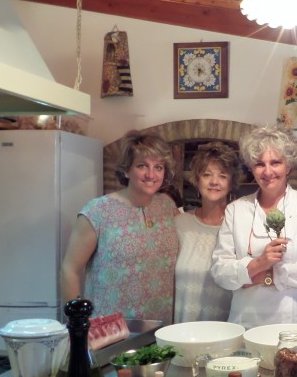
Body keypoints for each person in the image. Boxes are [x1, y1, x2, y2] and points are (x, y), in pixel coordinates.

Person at [210, 125, 297, 328]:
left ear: (288, 166)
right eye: (259, 164)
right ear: (251, 168)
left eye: (275, 162)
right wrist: (258, 263)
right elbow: (220, 271)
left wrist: (267, 276)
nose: (267, 171)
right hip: (247, 323)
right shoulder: (236, 210)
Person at [60, 130, 180, 323]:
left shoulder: (167, 206)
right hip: (109, 328)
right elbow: (70, 269)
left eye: (158, 167)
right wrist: (78, 325)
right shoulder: (98, 211)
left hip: (160, 325)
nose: (151, 174)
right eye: (142, 165)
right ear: (126, 169)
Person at [174, 142, 241, 323]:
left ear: (232, 182)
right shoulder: (180, 224)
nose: (214, 182)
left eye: (222, 175)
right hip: (182, 332)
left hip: (226, 334)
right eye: (207, 175)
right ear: (197, 179)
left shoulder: (241, 226)